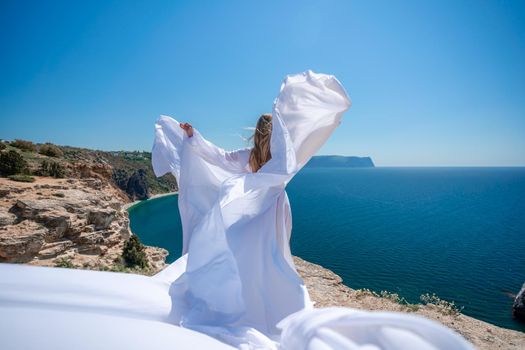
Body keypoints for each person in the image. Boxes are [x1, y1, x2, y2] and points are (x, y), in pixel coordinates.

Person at [150, 70, 352, 347]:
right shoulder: (285, 159)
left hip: (253, 210)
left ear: (256, 134)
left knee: (249, 251)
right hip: (273, 210)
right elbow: (307, 135)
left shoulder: (250, 156)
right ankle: (269, 300)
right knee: (272, 254)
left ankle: (240, 297)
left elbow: (217, 156)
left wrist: (193, 137)